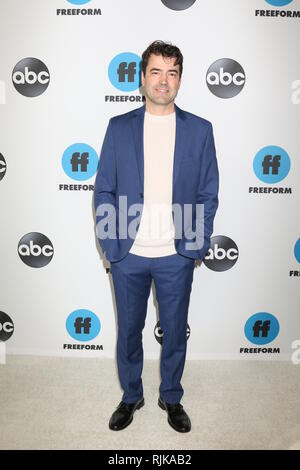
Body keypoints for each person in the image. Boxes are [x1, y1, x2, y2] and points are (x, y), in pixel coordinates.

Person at [94, 40, 219, 433]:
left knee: (175, 331)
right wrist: (113, 248)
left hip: (176, 255)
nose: (163, 81)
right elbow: (104, 191)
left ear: (180, 80)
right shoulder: (119, 127)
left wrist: (194, 248)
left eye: (172, 72)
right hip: (128, 254)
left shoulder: (200, 130)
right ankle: (132, 396)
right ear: (141, 78)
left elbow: (207, 192)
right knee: (128, 331)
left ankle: (171, 395)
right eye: (156, 72)